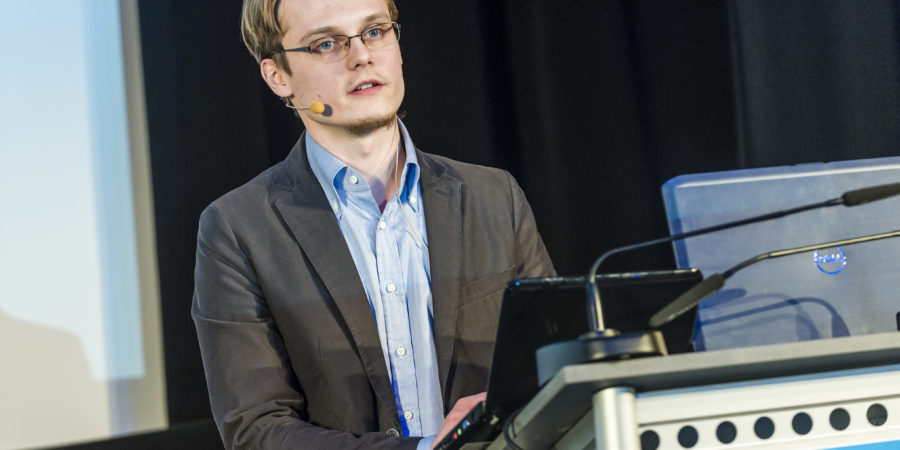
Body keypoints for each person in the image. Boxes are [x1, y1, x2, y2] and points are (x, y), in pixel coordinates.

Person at [191, 0, 554, 448]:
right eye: (326, 43)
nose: (361, 56)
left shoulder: (493, 196)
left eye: (375, 31)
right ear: (278, 76)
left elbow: (554, 366)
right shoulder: (238, 229)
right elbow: (257, 430)